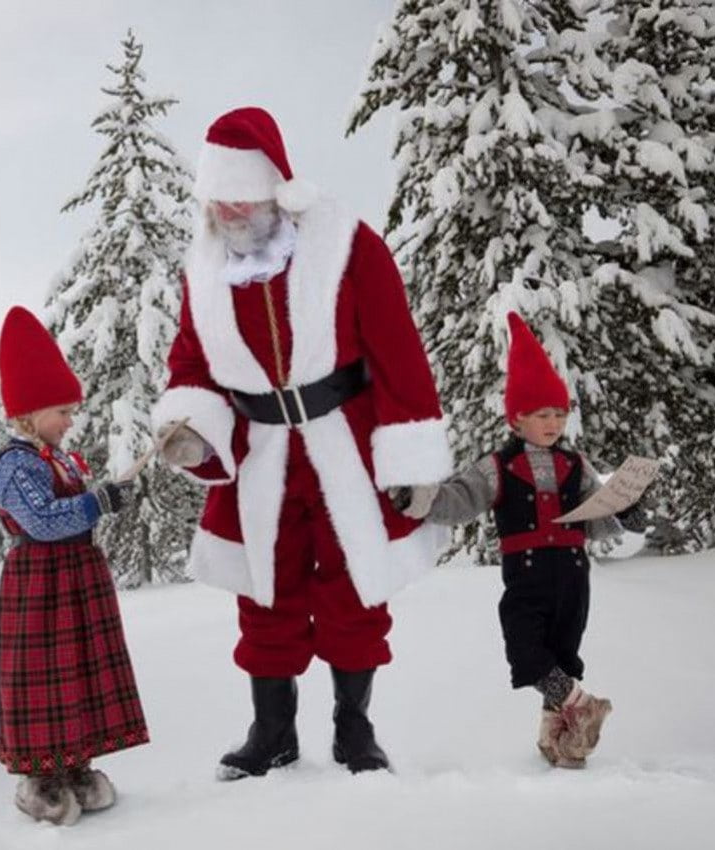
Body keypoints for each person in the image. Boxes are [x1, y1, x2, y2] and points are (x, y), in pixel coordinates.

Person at [149, 107, 453, 778]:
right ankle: (273, 731)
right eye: (218, 196)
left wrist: (411, 457)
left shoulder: (347, 244)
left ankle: (354, 730)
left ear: (273, 192)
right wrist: (191, 426)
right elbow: (191, 364)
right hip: (261, 453)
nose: (229, 209)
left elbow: (399, 351)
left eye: (242, 194)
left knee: (353, 588)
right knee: (265, 592)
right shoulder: (202, 270)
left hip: (343, 439)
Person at [392, 311, 645, 767]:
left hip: (572, 575)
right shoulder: (498, 466)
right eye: (541, 414)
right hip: (526, 579)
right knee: (526, 653)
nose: (552, 423)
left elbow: (597, 518)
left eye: (559, 414)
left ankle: (562, 744)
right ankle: (583, 707)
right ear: (517, 418)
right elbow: (461, 499)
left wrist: (624, 507)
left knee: (563, 656)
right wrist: (420, 498)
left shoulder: (576, 465)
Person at [0, 306, 149, 824]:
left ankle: (78, 766)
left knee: (75, 671)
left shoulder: (61, 459)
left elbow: (74, 513)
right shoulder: (15, 465)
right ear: (29, 414)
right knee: (46, 674)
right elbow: (41, 521)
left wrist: (106, 498)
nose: (70, 420)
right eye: (61, 410)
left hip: (75, 581)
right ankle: (43, 778)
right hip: (40, 588)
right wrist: (97, 503)